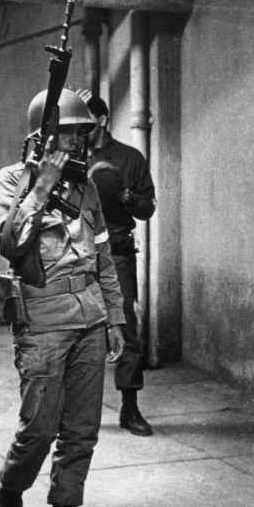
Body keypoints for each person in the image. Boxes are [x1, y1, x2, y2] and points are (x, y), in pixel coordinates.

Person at [0, 88, 126, 507]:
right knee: (39, 428)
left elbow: (105, 256)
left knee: (81, 429)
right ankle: (11, 490)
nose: (77, 144)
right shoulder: (12, 181)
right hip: (44, 322)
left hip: (89, 318)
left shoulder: (87, 188)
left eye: (81, 134)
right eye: (67, 134)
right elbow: (12, 243)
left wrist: (115, 317)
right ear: (42, 136)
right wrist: (42, 185)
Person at [78, 90, 156, 437]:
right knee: (75, 328)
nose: (79, 127)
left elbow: (148, 208)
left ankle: (129, 406)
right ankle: (74, 411)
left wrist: (128, 196)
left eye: (85, 120)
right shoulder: (71, 156)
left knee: (125, 326)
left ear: (103, 120)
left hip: (117, 252)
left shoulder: (129, 158)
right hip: (77, 255)